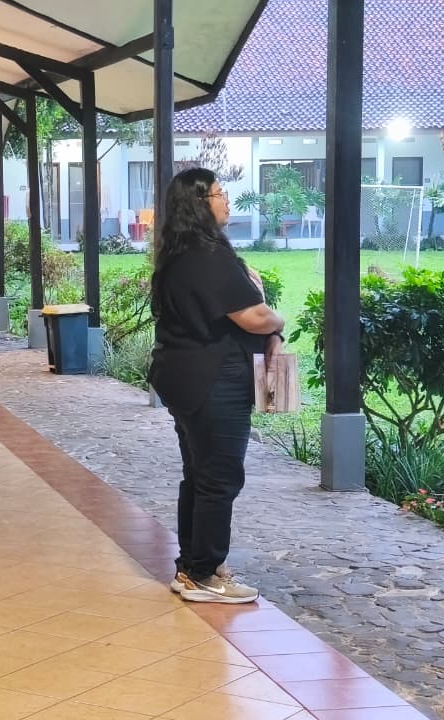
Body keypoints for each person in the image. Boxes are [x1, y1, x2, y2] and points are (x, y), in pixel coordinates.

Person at [148, 167, 284, 605]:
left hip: (183, 378)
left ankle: (192, 566)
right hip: (213, 380)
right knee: (219, 478)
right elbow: (254, 316)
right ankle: (203, 574)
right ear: (199, 204)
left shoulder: (179, 254)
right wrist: (278, 320)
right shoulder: (208, 255)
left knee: (199, 475)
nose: (227, 201)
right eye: (219, 194)